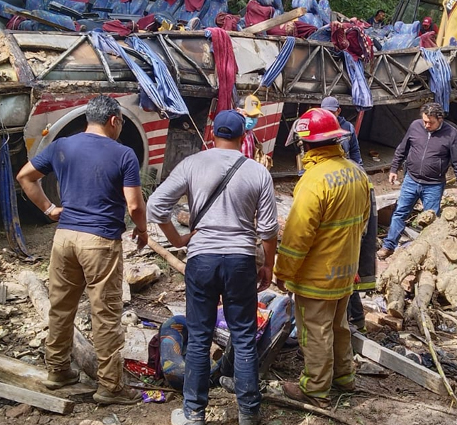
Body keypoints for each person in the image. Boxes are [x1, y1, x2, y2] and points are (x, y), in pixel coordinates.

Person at [147, 109, 278, 425]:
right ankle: (249, 413)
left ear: (212, 134)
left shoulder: (192, 164)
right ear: (243, 137)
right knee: (243, 336)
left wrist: (178, 239)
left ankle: (194, 413)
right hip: (241, 261)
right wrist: (268, 265)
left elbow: (155, 206)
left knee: (199, 336)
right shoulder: (258, 172)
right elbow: (269, 230)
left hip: (202, 259)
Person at [16, 95, 148, 405]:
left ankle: (57, 370)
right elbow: (134, 205)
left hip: (64, 239)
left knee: (61, 307)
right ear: (113, 121)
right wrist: (142, 231)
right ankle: (110, 386)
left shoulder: (62, 146)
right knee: (106, 313)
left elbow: (25, 176)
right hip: (100, 242)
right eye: (121, 123)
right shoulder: (124, 154)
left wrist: (49, 208)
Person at [275, 107, 371, 408]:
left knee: (315, 332)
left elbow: (297, 236)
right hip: (345, 272)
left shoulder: (314, 181)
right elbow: (364, 222)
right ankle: (344, 377)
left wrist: (283, 272)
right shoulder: (357, 173)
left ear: (306, 144)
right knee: (339, 327)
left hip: (317, 276)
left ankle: (315, 389)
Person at [377, 103, 457, 260]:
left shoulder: (451, 134)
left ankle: (428, 253)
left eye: (431, 122)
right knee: (400, 213)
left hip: (434, 185)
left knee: (431, 220)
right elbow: (402, 148)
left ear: (440, 119)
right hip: (411, 180)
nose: (427, 125)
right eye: (425, 121)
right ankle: (388, 246)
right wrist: (394, 169)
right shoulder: (415, 126)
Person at [319, 96, 376, 331]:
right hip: (347, 240)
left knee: (345, 277)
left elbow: (356, 155)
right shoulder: (345, 181)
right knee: (346, 275)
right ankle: (354, 320)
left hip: (342, 242)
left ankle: (353, 320)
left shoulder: (347, 130)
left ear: (339, 111)